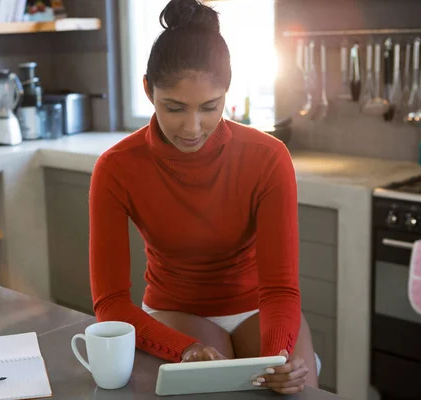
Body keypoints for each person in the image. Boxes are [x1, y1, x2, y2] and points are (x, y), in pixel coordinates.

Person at [88, 0, 318, 395]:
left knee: (295, 390)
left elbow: (281, 289)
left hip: (259, 309)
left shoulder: (268, 157)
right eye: (174, 107)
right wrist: (185, 349)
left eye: (209, 107)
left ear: (226, 93)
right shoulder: (116, 167)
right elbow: (110, 304)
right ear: (148, 90)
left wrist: (278, 357)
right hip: (172, 310)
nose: (192, 128)